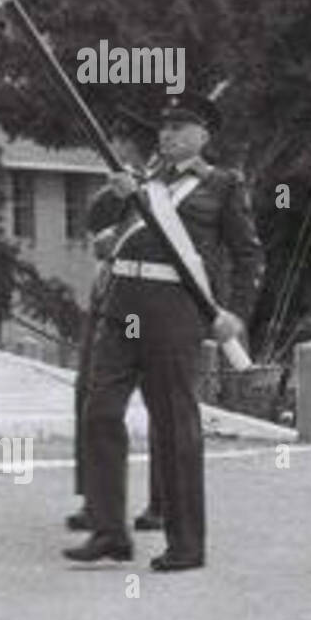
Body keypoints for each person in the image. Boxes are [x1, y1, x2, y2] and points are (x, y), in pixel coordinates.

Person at [65, 93, 264, 572]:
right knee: (99, 414)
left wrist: (236, 312)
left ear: (204, 135)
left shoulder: (222, 185)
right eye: (165, 126)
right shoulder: (142, 183)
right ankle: (111, 532)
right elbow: (94, 223)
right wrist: (116, 193)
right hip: (122, 309)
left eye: (181, 126)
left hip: (175, 314)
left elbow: (248, 255)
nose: (168, 133)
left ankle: (186, 544)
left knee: (176, 429)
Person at [66, 109, 161, 534]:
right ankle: (98, 503)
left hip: (156, 304)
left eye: (119, 139)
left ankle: (164, 503)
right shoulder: (122, 184)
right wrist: (127, 187)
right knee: (90, 396)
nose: (113, 146)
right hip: (110, 298)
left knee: (164, 405)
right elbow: (95, 221)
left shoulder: (170, 185)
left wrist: (143, 188)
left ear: (131, 142)